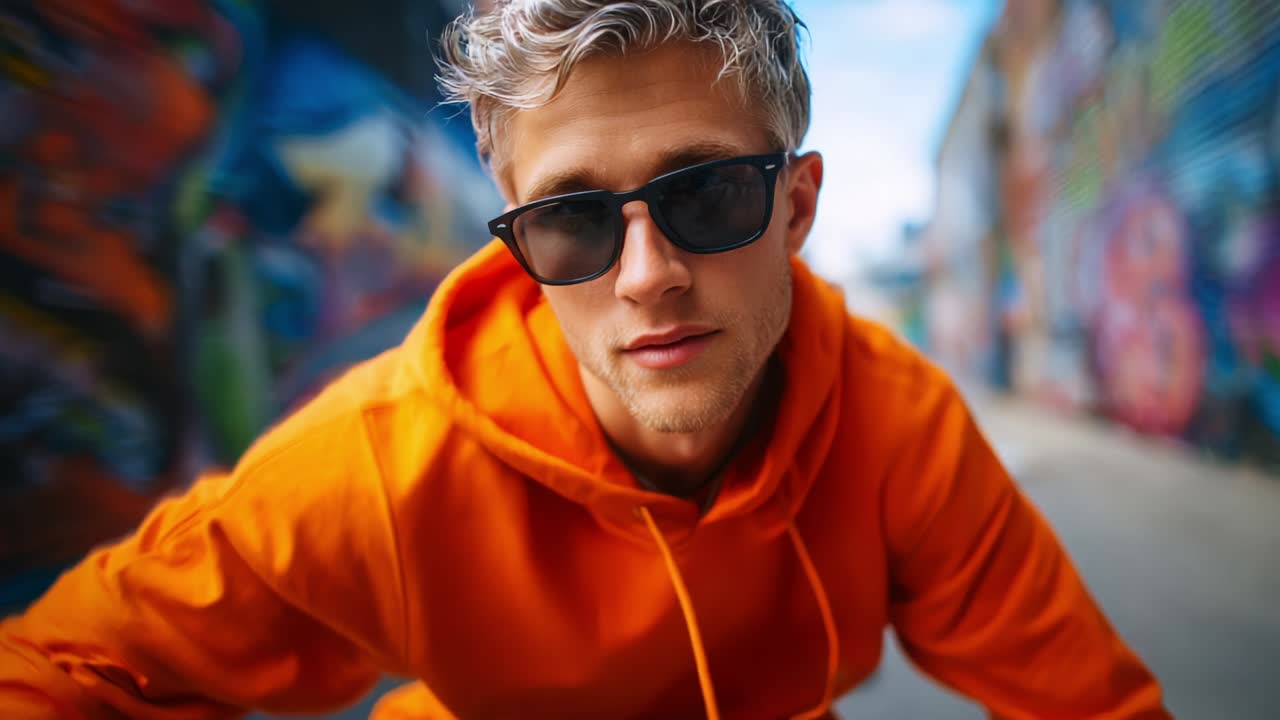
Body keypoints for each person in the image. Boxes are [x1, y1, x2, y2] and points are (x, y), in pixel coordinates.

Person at [0, 1, 1169, 718]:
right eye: (571, 219)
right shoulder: (382, 468)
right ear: (517, 242)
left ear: (797, 206)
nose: (648, 274)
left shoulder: (895, 423)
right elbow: (59, 672)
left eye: (706, 194)